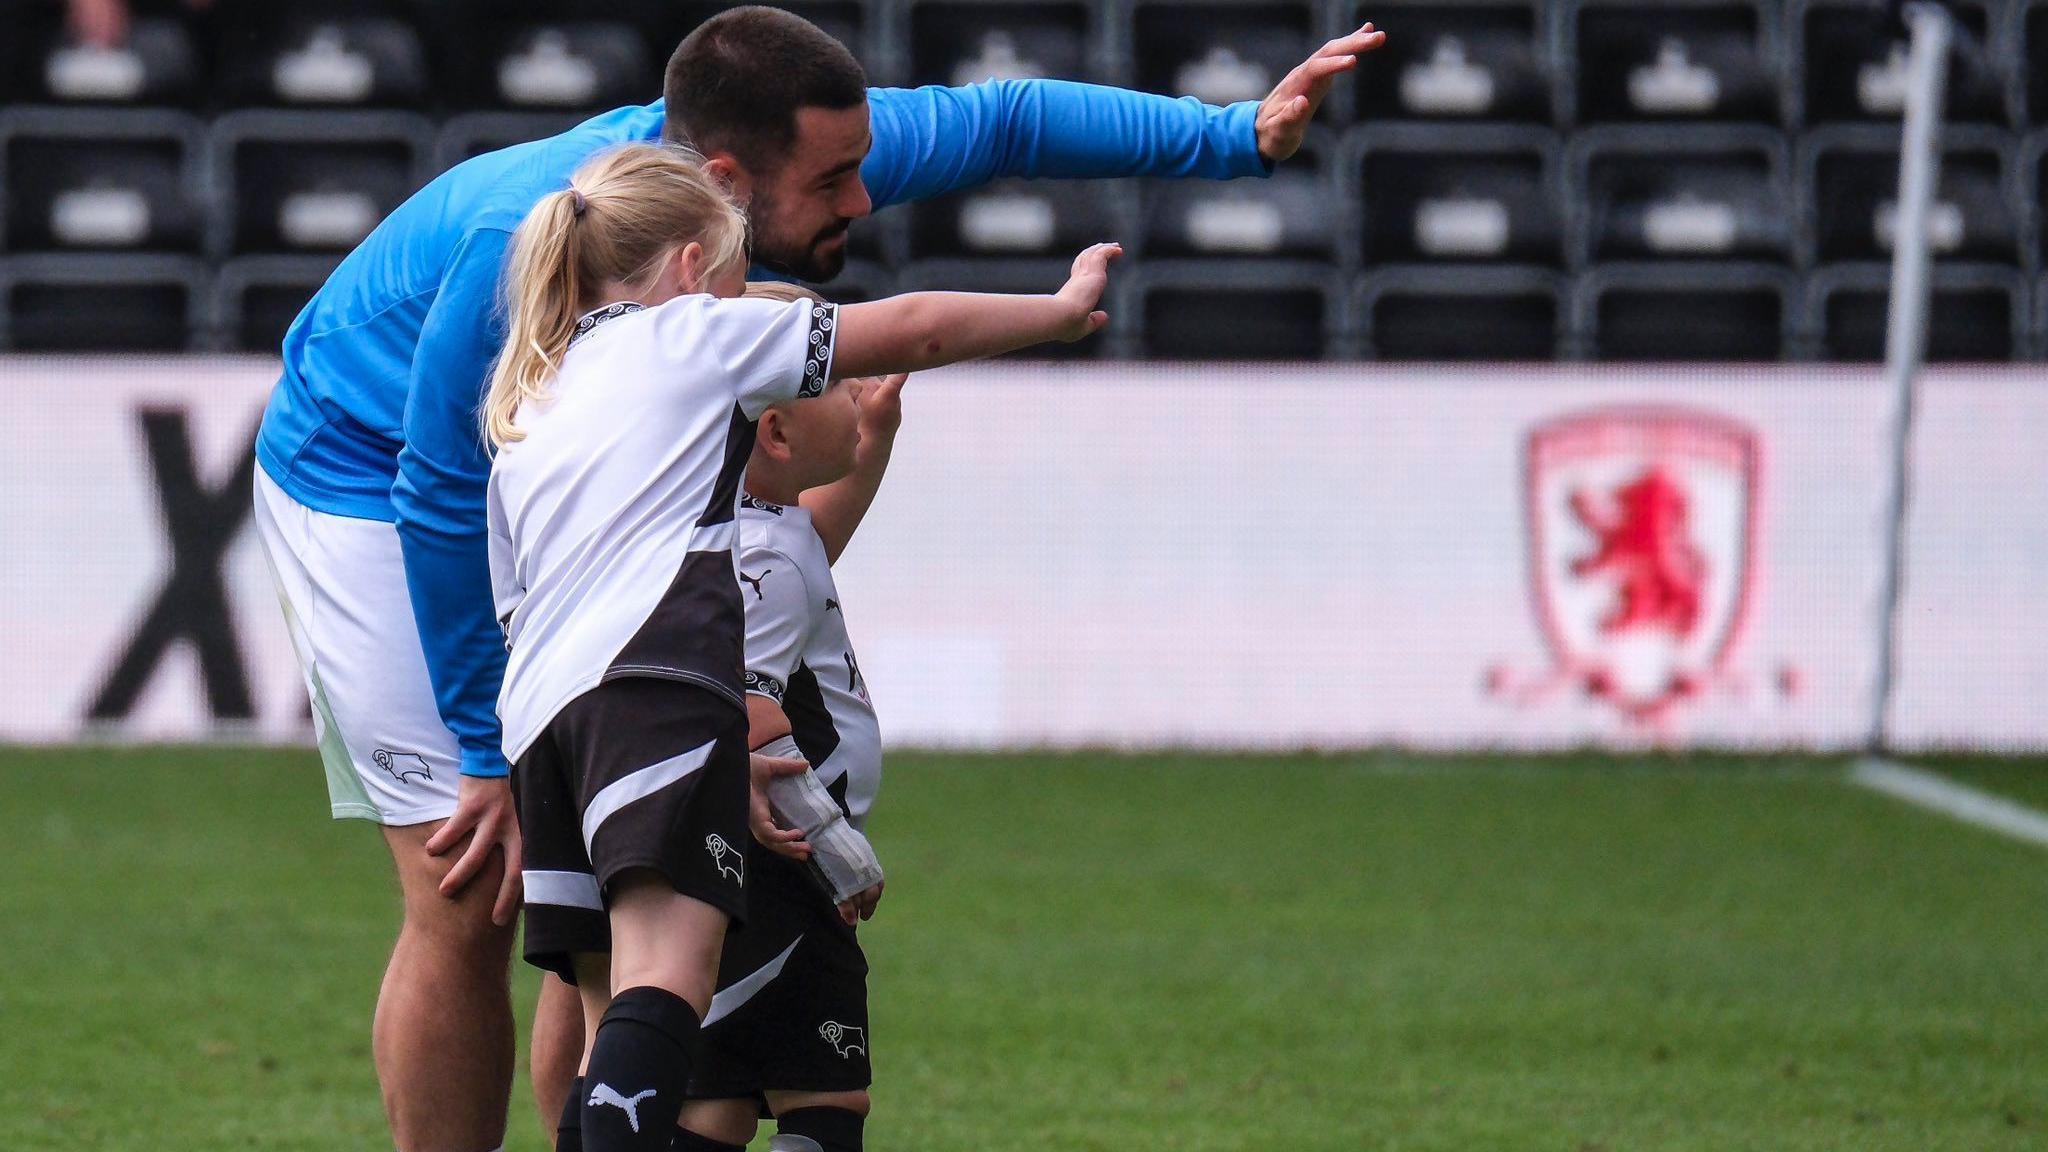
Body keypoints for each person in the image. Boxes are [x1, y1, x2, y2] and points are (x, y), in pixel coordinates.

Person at [251, 6, 1385, 1149]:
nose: (862, 199)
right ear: (726, 184)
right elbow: (437, 491)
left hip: (540, 493)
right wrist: (481, 751)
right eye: (836, 181)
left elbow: (1009, 116)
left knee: (604, 894)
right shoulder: (521, 245)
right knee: (472, 894)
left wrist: (1236, 132)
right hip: (364, 475)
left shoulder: (765, 169)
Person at [482, 142, 1119, 1152]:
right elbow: (909, 326)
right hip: (657, 687)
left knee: (615, 1031)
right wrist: (1055, 307)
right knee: (667, 985)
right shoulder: (692, 334)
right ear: (692, 268)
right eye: (739, 275)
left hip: (541, 726)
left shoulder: (535, 401)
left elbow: (509, 607)